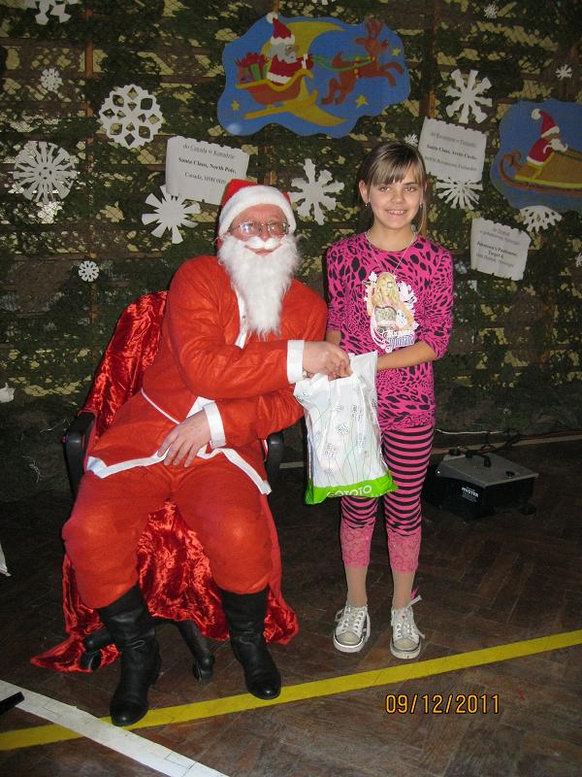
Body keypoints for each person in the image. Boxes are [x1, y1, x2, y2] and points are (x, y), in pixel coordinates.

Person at [62, 179, 350, 726]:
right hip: (151, 431)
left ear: (290, 236)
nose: (264, 236)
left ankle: (249, 643)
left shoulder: (308, 307)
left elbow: (291, 402)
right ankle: (140, 655)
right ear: (225, 234)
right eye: (250, 225)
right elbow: (204, 369)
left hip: (227, 445)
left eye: (276, 226)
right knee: (89, 531)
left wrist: (217, 423)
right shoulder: (197, 276)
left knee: (240, 533)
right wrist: (300, 355)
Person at [325, 141, 453, 660]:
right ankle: (356, 602)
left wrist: (369, 363)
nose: (397, 199)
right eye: (385, 186)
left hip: (410, 408)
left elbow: (435, 340)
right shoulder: (341, 256)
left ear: (423, 194)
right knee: (357, 508)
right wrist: (332, 366)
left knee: (403, 509)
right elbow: (337, 323)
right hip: (356, 409)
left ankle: (402, 606)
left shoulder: (436, 260)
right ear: (365, 192)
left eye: (409, 187)